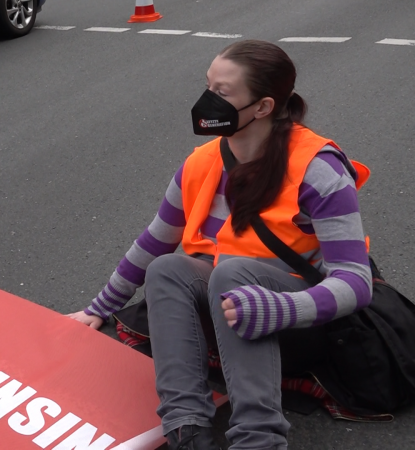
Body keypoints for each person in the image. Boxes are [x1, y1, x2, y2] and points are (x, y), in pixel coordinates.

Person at [68, 40, 372, 450]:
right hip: (229, 311)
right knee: (167, 268)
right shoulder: (202, 162)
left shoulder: (319, 168)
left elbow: (355, 282)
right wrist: (99, 308)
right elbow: (155, 241)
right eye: (208, 85)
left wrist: (280, 308)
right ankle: (186, 427)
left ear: (263, 107)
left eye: (222, 92)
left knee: (233, 270)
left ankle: (258, 439)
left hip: (299, 321)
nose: (206, 100)